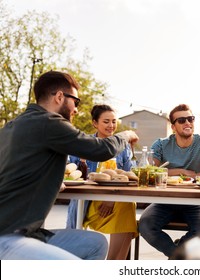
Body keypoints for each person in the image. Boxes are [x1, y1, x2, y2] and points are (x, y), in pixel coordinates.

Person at [0, 70, 138, 259]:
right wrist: (126, 135)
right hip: (9, 237)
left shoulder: (13, 126)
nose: (76, 110)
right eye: (76, 102)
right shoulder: (48, 122)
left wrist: (53, 182)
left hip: (29, 234)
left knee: (95, 243)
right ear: (59, 97)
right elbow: (100, 150)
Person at [138, 104, 200, 258]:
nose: (187, 123)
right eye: (182, 120)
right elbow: (150, 172)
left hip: (194, 201)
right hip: (164, 201)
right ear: (173, 126)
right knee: (146, 226)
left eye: (190, 119)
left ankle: (176, 255)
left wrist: (190, 176)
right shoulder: (161, 144)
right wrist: (181, 171)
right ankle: (180, 256)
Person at [66, 104, 138, 260]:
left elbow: (130, 176)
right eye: (106, 121)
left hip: (114, 201)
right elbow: (69, 172)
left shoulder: (123, 146)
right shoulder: (84, 144)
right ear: (94, 123)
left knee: (128, 205)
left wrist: (111, 198)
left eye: (114, 121)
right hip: (87, 203)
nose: (111, 126)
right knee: (126, 207)